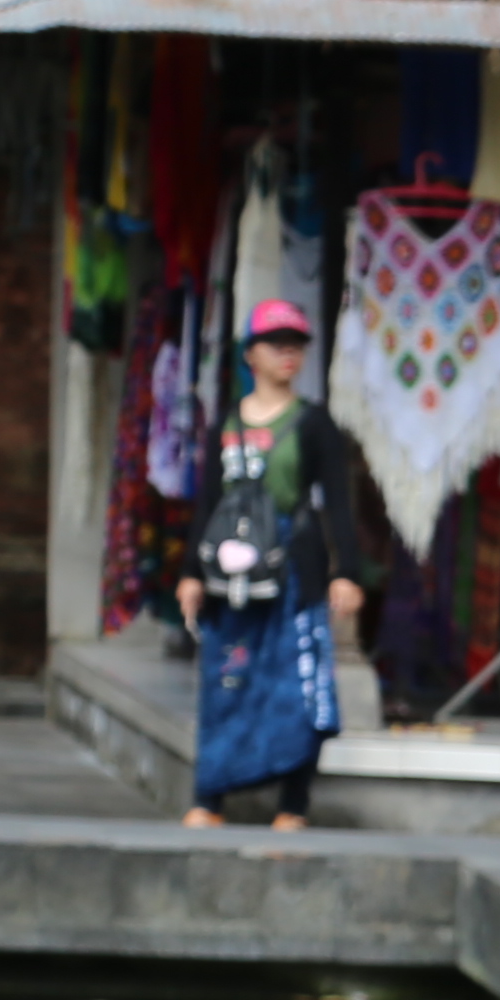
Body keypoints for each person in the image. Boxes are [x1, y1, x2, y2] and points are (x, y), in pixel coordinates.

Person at [162, 300, 365, 831]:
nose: (287, 353)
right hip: (230, 581)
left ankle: (292, 806)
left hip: (294, 574)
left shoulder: (314, 423)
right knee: (226, 681)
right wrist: (188, 574)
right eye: (276, 343)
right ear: (251, 353)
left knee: (296, 686)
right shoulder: (225, 423)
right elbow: (207, 502)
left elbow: (339, 502)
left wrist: (348, 572)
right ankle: (209, 799)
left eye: (295, 344)